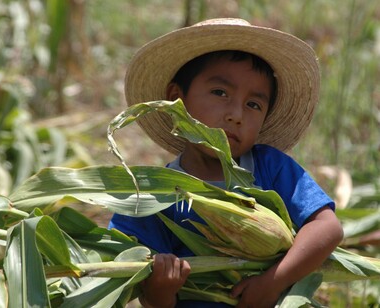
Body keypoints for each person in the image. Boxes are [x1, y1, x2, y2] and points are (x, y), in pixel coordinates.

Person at [108, 18, 344, 307]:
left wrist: (273, 282)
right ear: (176, 100)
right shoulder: (153, 197)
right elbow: (135, 281)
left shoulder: (270, 168)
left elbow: (327, 227)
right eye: (220, 93)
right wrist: (159, 290)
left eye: (253, 104)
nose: (236, 114)